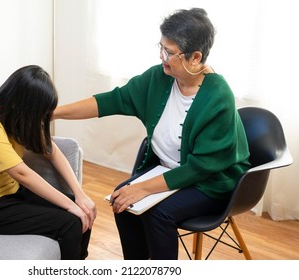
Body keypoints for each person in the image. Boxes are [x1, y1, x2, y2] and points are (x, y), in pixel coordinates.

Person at [53, 8, 250, 259]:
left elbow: (201, 167)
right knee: (121, 202)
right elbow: (113, 100)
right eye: (161, 47)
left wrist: (145, 188)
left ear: (195, 57)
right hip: (168, 169)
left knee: (159, 214)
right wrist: (54, 113)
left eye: (169, 52)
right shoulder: (160, 77)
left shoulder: (218, 95)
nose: (161, 56)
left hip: (211, 182)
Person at [0, 65, 96, 260]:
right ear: (20, 103)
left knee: (84, 210)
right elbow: (22, 174)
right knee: (69, 222)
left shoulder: (17, 117)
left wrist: (80, 195)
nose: (41, 120)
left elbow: (52, 151)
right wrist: (70, 207)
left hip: (8, 193)